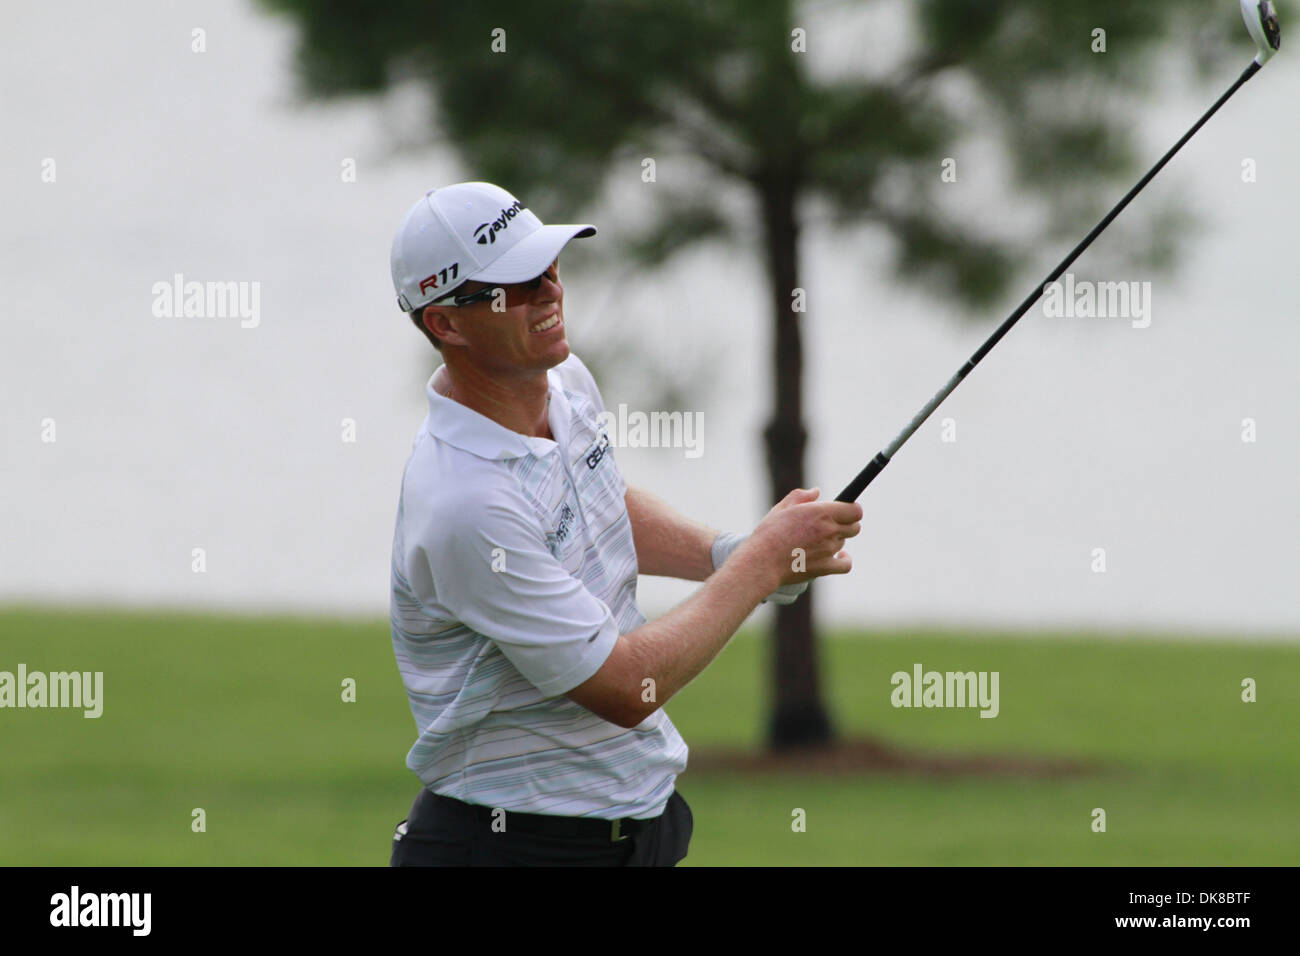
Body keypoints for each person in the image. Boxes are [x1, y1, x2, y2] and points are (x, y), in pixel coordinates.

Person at [386, 181, 862, 866]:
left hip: (641, 828)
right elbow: (626, 687)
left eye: (550, 266)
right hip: (510, 848)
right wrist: (760, 566)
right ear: (448, 323)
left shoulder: (566, 383)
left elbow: (598, 496)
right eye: (516, 284)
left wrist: (726, 553)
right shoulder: (466, 505)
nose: (550, 290)